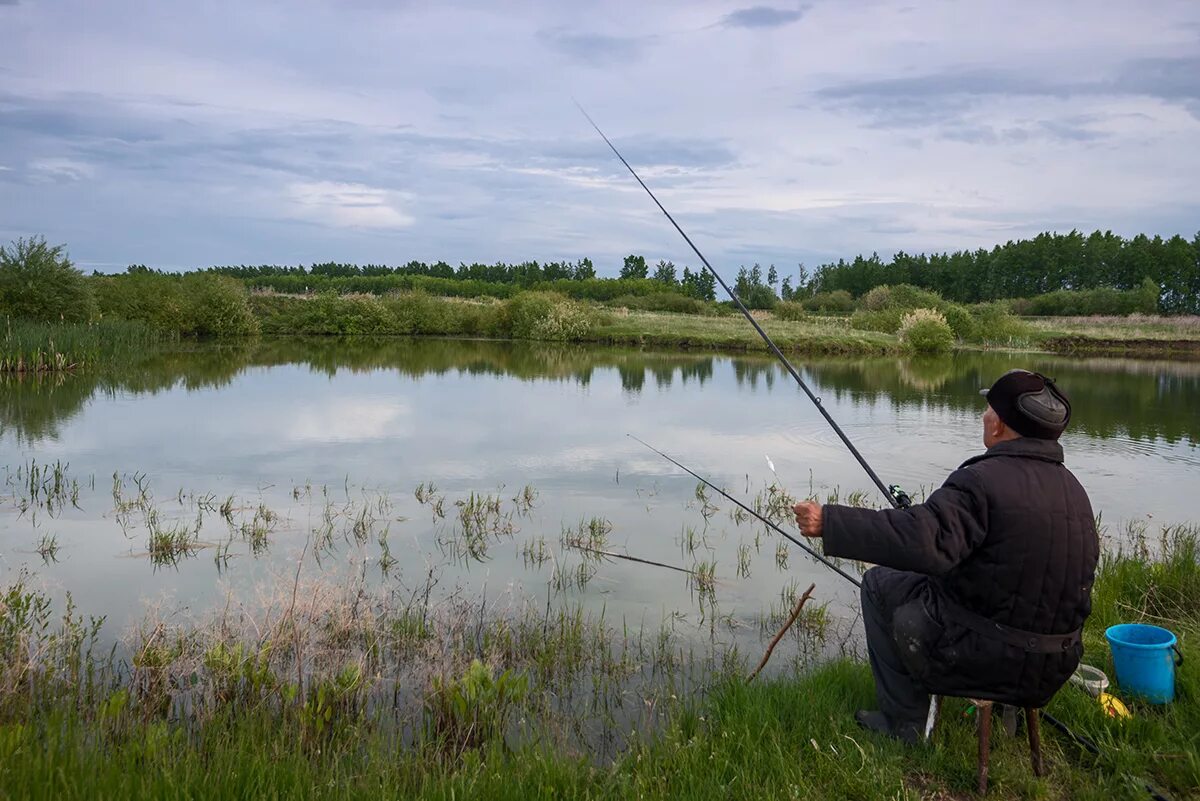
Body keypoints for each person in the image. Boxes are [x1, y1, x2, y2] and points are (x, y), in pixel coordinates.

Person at [792, 369, 1098, 743]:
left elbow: (925, 542)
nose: (983, 417)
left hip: (985, 659)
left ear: (999, 425)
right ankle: (1006, 712)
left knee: (878, 584)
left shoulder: (982, 480)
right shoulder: (1075, 492)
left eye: (988, 410)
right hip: (1053, 668)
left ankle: (904, 723)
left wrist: (830, 522)